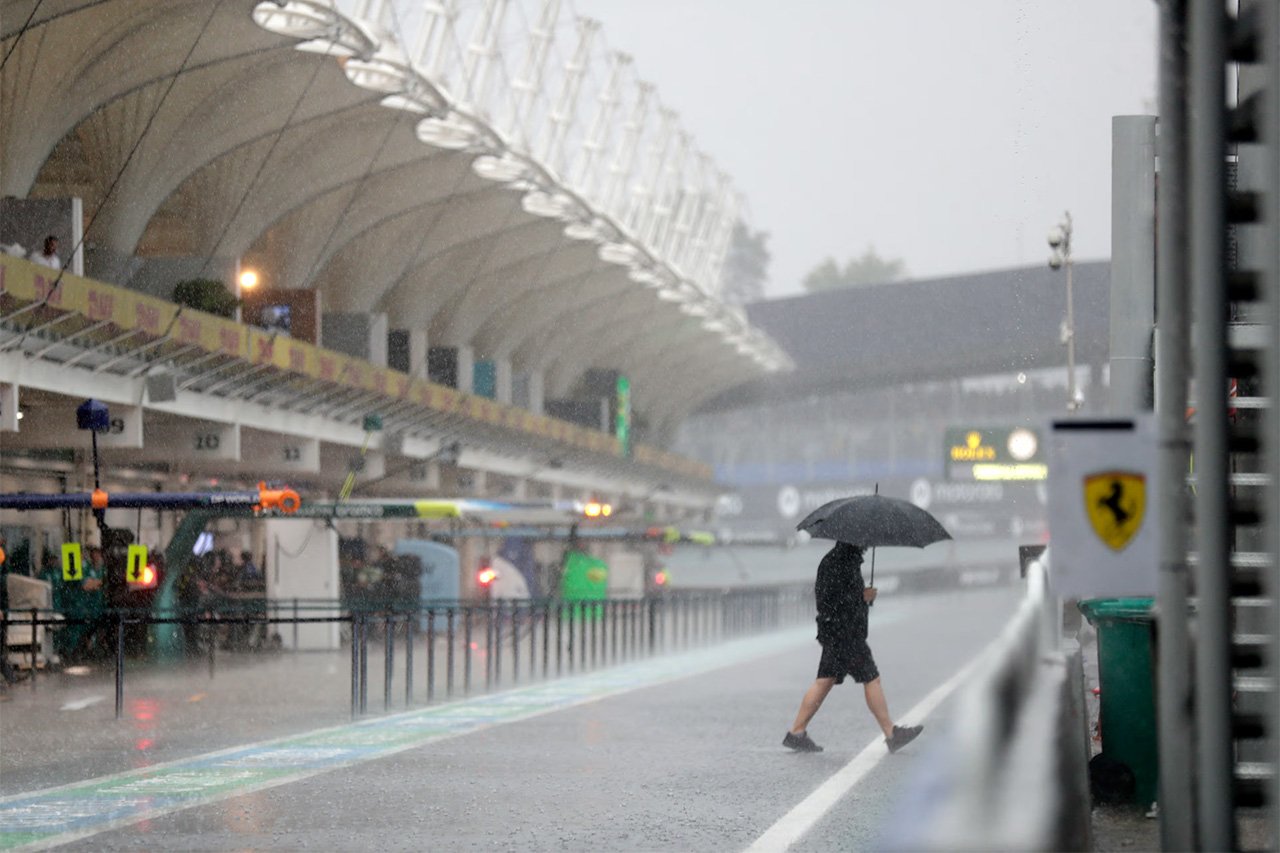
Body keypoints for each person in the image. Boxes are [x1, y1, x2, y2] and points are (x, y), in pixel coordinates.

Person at [783, 542, 923, 754]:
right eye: (864, 542)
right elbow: (831, 601)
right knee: (871, 678)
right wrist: (862, 597)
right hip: (845, 635)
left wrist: (861, 597)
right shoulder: (840, 562)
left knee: (825, 680)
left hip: (838, 632)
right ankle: (891, 734)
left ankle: (796, 733)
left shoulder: (841, 559)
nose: (867, 545)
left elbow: (836, 599)